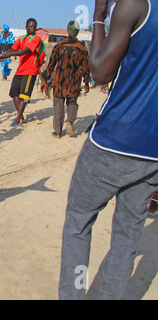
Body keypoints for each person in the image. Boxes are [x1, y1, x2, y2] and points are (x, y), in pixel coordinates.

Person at [59, 0, 158, 300]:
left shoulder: (134, 5)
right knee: (126, 238)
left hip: (113, 141)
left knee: (79, 223)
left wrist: (99, 17)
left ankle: (73, 296)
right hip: (153, 151)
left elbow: (100, 72)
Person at [43, 21, 91, 139]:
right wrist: (86, 81)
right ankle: (69, 121)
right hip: (74, 80)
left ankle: (58, 132)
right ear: (77, 32)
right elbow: (85, 67)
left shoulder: (59, 45)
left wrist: (46, 77)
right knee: (72, 102)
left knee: (58, 104)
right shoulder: (82, 47)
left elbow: (51, 64)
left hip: (60, 79)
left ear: (68, 31)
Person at [0, 18, 44, 126]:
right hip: (20, 70)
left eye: (34, 26)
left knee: (24, 95)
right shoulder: (21, 38)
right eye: (30, 26)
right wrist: (4, 54)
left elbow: (25, 51)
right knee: (14, 92)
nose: (33, 28)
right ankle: (21, 116)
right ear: (26, 27)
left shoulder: (36, 39)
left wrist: (8, 55)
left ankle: (18, 117)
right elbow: (13, 49)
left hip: (31, 70)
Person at [40, 35, 57, 99]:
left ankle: (47, 94)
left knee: (44, 79)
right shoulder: (58, 46)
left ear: (49, 40)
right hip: (56, 67)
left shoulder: (45, 46)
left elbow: (42, 56)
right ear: (55, 40)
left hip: (47, 66)